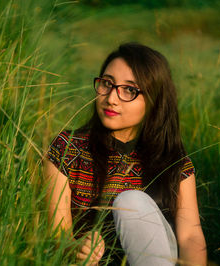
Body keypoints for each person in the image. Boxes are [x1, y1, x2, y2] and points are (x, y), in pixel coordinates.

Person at [44, 43, 207, 265]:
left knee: (131, 201)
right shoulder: (67, 149)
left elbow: (190, 236)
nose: (111, 98)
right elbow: (57, 234)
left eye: (129, 90)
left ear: (153, 100)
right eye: (107, 84)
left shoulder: (173, 159)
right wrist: (76, 248)